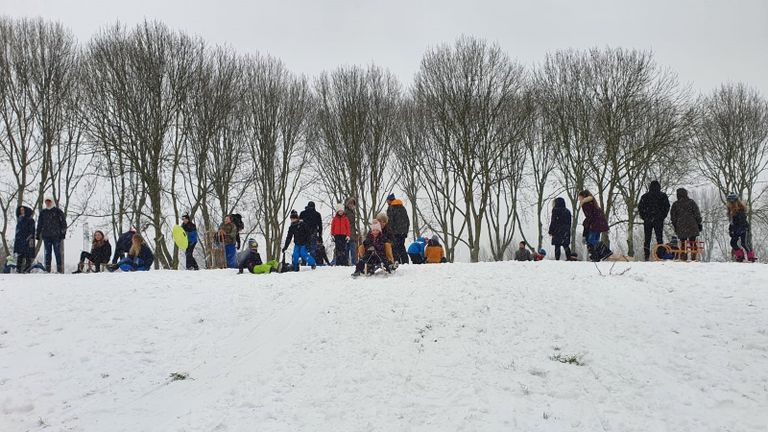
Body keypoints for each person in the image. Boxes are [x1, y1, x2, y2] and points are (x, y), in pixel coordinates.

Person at [638, 180, 671, 261]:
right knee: (659, 238)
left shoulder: (645, 196)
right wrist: (662, 216)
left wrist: (644, 217)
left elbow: (640, 208)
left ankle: (646, 256)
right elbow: (667, 207)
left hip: (648, 220)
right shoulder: (663, 196)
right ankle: (660, 255)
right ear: (659, 187)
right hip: (658, 220)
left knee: (647, 239)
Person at [578, 190, 613, 262]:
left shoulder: (585, 204)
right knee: (595, 240)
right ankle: (596, 257)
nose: (579, 198)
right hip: (600, 223)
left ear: (583, 196)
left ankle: (605, 252)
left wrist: (586, 224)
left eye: (579, 197)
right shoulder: (593, 202)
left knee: (591, 240)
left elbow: (589, 216)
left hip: (595, 224)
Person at [670, 188, 702, 261]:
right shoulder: (691, 202)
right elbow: (697, 214)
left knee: (683, 242)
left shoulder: (676, 204)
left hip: (681, 226)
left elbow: (673, 216)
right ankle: (694, 256)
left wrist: (675, 225)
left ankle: (683, 256)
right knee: (692, 241)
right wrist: (699, 222)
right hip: (692, 225)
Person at [37, 197, 67, 273]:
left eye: (49, 201)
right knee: (47, 253)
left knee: (57, 252)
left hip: (56, 235)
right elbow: (39, 224)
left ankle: (59, 270)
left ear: (52, 202)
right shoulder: (43, 212)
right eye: (46, 202)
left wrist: (63, 233)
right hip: (46, 236)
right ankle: (47, 270)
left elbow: (63, 223)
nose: (48, 203)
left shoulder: (58, 211)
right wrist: (37, 233)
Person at [726, 193, 756, 262]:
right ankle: (740, 256)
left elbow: (741, 222)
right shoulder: (730, 211)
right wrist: (731, 230)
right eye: (729, 203)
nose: (729, 204)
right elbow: (731, 223)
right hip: (735, 230)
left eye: (731, 203)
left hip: (743, 229)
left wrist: (739, 229)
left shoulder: (740, 210)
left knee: (744, 243)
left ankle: (751, 256)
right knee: (733, 243)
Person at [386, 193, 410, 264]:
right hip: (403, 232)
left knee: (395, 248)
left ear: (389, 200)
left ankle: (397, 262)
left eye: (387, 201)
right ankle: (405, 262)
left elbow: (390, 221)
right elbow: (407, 221)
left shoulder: (391, 208)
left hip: (395, 232)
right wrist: (406, 231)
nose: (387, 202)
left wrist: (389, 231)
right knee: (402, 247)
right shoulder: (402, 208)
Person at [14, 206, 36, 273]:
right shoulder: (20, 220)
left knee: (28, 255)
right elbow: (18, 231)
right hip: (19, 240)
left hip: (28, 239)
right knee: (20, 255)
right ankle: (18, 269)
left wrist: (28, 238)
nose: (22, 211)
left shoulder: (30, 220)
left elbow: (32, 231)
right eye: (20, 210)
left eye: (23, 210)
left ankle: (27, 269)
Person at [344, 198, 359, 266]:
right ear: (348, 204)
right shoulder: (346, 212)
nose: (352, 205)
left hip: (352, 233)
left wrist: (355, 229)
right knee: (347, 248)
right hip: (347, 233)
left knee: (353, 248)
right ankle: (347, 262)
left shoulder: (353, 212)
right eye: (350, 204)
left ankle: (354, 262)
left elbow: (352, 223)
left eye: (353, 204)